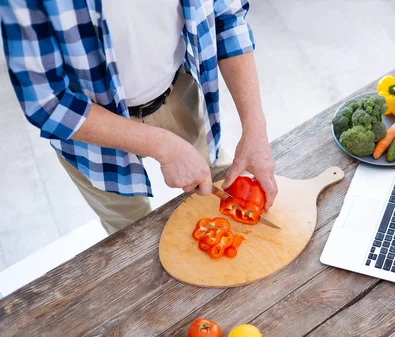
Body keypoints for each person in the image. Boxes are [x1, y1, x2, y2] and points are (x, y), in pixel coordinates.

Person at [1, 0, 277, 234]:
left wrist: (255, 127)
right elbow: (47, 103)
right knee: (128, 232)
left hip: (176, 93)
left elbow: (227, 18)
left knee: (217, 184)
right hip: (92, 132)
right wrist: (164, 147)